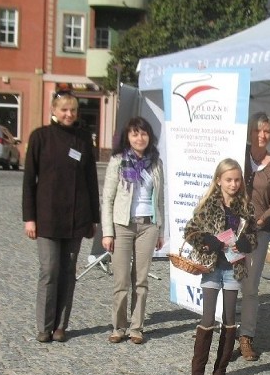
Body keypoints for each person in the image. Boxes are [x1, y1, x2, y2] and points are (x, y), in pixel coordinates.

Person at [23, 92, 100, 343]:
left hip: (76, 218)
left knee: (68, 272)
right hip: (46, 217)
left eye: (73, 110)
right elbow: (29, 181)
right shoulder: (40, 137)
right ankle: (44, 326)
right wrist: (29, 217)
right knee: (49, 270)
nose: (69, 114)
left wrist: (94, 218)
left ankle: (61, 326)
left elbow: (91, 180)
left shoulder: (83, 139)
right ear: (54, 109)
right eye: (64, 109)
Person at [184, 158, 257, 375]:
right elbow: (190, 231)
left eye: (237, 180)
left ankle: (220, 370)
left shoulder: (245, 207)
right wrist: (208, 242)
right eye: (228, 180)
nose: (233, 184)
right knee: (207, 319)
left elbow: (252, 237)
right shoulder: (208, 205)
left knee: (229, 319)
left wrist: (243, 244)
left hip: (233, 269)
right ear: (219, 181)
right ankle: (197, 372)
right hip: (212, 268)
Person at [101, 117, 165, 345]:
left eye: (144, 133)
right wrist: (107, 232)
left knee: (141, 280)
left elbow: (160, 201)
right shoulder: (118, 161)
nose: (140, 138)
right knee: (121, 280)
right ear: (127, 138)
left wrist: (160, 231)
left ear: (150, 136)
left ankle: (136, 327)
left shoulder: (156, 163)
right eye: (135, 133)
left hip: (148, 225)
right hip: (122, 225)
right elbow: (107, 199)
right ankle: (119, 326)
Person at [238, 112, 270, 361]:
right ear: (250, 133)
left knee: (251, 286)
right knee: (227, 281)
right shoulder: (238, 151)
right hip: (232, 229)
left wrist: (261, 219)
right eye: (257, 130)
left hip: (258, 231)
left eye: (266, 131)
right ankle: (224, 331)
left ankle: (246, 336)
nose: (262, 135)